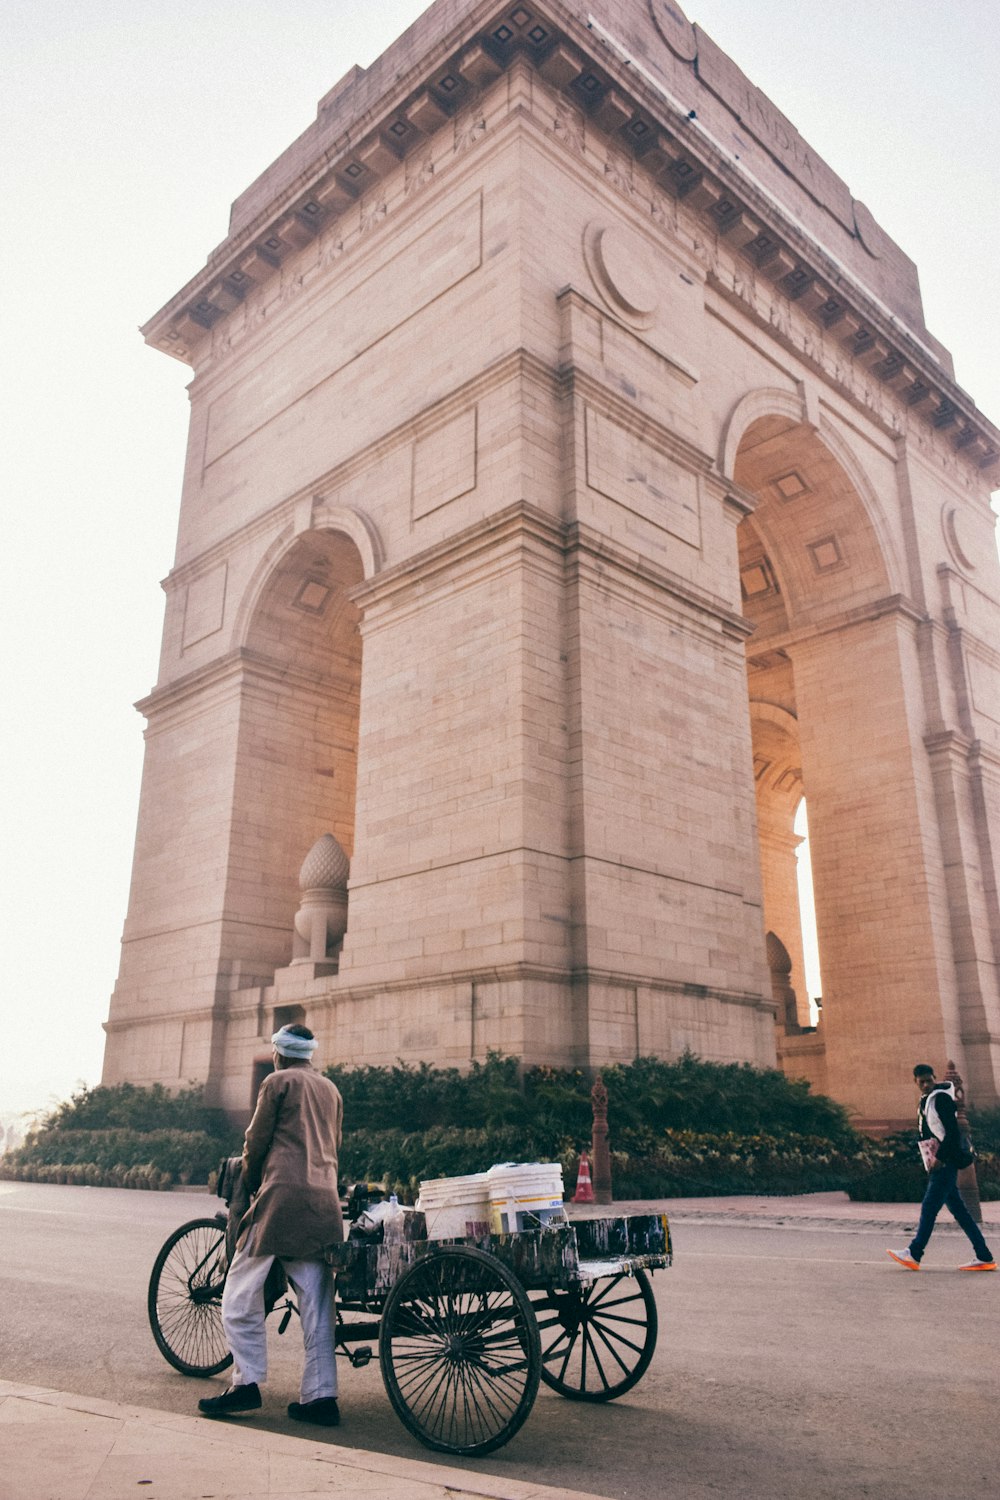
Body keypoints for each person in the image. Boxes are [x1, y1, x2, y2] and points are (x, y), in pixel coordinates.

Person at [199, 1024, 345, 1423]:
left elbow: (256, 1142)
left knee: (238, 1295)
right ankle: (321, 1397)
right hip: (323, 1204)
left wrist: (248, 1183)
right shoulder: (330, 1089)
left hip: (281, 1200)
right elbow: (335, 1143)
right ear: (309, 1055)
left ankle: (244, 1384)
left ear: (279, 1053)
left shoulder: (277, 1082)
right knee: (316, 1304)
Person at [886, 1063, 996, 1272]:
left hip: (945, 1162)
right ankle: (984, 1255)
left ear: (934, 1077)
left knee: (929, 1208)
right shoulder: (927, 1100)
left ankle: (914, 1253)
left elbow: (952, 1133)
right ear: (915, 1082)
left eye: (929, 1080)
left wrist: (940, 1158)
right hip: (942, 1160)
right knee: (961, 1212)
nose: (926, 1084)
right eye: (922, 1082)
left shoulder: (941, 1099)